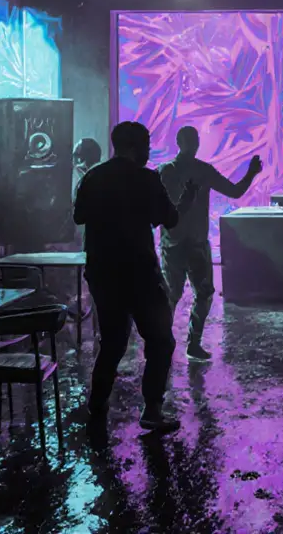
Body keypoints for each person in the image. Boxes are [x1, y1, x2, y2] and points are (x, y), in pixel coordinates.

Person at [74, 121, 197, 434]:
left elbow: (79, 216)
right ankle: (152, 409)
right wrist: (182, 200)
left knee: (112, 342)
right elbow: (169, 220)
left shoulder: (93, 176)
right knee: (160, 340)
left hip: (103, 274)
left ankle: (97, 405)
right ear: (134, 146)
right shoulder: (146, 179)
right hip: (140, 274)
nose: (149, 150)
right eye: (147, 144)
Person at [157, 126, 262, 360]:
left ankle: (175, 344)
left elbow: (234, 192)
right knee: (184, 295)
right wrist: (251, 173)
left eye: (195, 140)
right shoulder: (182, 171)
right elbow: (234, 191)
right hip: (186, 244)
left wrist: (251, 173)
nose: (194, 144)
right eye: (191, 140)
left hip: (184, 243)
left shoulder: (171, 171)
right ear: (181, 142)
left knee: (188, 295)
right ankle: (179, 344)